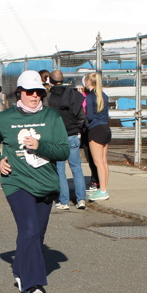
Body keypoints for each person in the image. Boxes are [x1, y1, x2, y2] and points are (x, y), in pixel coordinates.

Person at [0, 70, 70, 293]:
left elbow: (63, 151)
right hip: (16, 182)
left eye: (39, 92)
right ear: (19, 92)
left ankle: (20, 270)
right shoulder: (5, 118)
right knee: (29, 228)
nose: (35, 96)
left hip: (45, 183)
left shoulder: (52, 117)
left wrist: (40, 146)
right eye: (30, 92)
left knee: (36, 235)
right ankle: (32, 285)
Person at [47, 70, 88, 210]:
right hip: (73, 134)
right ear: (63, 79)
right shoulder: (73, 95)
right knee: (76, 168)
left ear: (50, 81)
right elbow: (81, 116)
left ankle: (64, 201)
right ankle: (81, 199)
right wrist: (77, 128)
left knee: (60, 169)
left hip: (57, 137)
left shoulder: (49, 98)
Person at [84, 72, 112, 201]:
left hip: (95, 129)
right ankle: (104, 188)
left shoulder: (90, 97)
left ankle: (102, 190)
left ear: (89, 82)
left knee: (98, 162)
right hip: (105, 128)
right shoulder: (103, 95)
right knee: (104, 161)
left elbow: (89, 116)